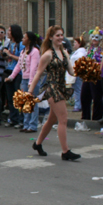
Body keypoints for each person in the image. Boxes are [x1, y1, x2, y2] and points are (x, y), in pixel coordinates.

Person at [28, 26, 81, 161]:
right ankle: (65, 151)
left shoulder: (64, 53)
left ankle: (37, 144)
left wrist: (84, 70)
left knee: (52, 119)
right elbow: (38, 74)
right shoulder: (47, 55)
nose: (60, 37)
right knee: (63, 119)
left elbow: (71, 72)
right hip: (52, 88)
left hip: (61, 87)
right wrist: (30, 92)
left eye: (62, 35)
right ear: (51, 37)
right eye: (57, 35)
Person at [7, 31, 41, 133]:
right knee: (25, 102)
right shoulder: (23, 51)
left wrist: (31, 82)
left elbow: (33, 68)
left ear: (29, 40)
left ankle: (33, 125)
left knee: (32, 102)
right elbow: (19, 65)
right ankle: (26, 124)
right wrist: (11, 77)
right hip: (24, 79)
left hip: (32, 80)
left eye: (24, 38)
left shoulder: (35, 52)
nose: (22, 39)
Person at [81, 28, 103, 121]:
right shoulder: (89, 48)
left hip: (96, 74)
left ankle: (97, 118)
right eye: (93, 37)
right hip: (88, 74)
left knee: (97, 97)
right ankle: (85, 117)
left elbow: (102, 61)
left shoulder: (102, 49)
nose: (94, 39)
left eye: (96, 37)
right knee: (84, 96)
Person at [2, 25, 24, 127]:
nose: (8, 32)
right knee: (10, 97)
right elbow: (8, 57)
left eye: (10, 30)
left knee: (18, 96)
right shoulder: (9, 43)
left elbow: (21, 59)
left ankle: (21, 119)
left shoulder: (21, 45)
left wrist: (10, 54)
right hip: (8, 70)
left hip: (18, 73)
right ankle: (13, 118)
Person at [69, 36, 87, 112]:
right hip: (77, 72)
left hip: (78, 72)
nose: (74, 44)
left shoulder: (80, 52)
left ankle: (78, 105)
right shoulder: (79, 51)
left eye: (75, 42)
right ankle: (78, 105)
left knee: (78, 90)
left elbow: (79, 58)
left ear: (79, 44)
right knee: (77, 89)